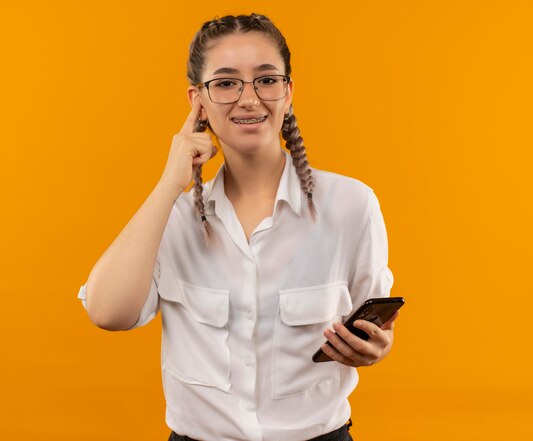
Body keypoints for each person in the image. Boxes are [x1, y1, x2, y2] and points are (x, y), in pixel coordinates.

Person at [77, 12, 399, 441]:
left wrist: (377, 348)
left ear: (288, 93)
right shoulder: (172, 215)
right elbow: (107, 312)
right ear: (198, 102)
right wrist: (170, 183)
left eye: (266, 80)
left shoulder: (351, 205)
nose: (249, 98)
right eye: (226, 83)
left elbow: (374, 326)